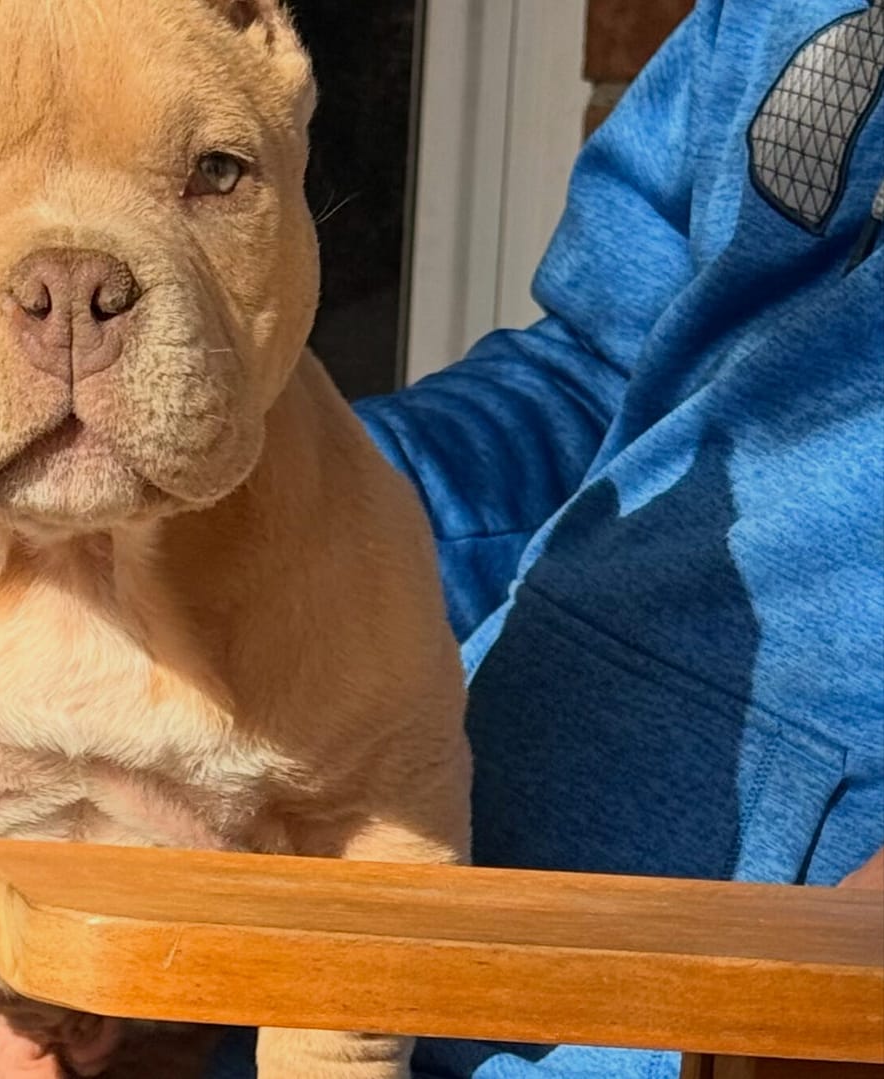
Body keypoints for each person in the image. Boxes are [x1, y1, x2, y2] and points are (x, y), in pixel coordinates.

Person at [211, 0, 883, 1076]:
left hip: (720, 1020)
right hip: (373, 907)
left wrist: (833, 1004)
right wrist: (274, 510)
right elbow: (597, 370)